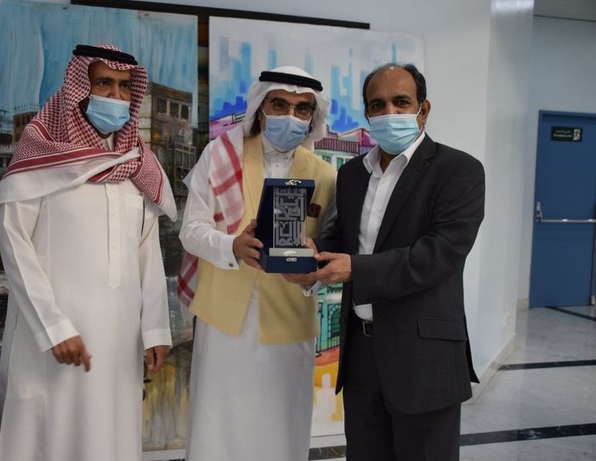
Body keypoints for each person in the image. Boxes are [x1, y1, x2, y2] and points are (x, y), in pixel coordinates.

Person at [0, 43, 176, 461]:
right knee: (50, 439)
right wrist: (53, 327)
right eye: (104, 83)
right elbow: (14, 244)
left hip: (119, 339)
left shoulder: (137, 165)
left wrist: (155, 331)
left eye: (125, 87)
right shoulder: (40, 154)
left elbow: (148, 254)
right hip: (54, 337)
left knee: (110, 439)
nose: (116, 95)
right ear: (79, 89)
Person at [305, 63, 485, 461]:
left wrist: (356, 269)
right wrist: (307, 259)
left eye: (401, 102)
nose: (390, 112)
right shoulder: (352, 175)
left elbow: (439, 255)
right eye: (378, 104)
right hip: (361, 355)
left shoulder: (460, 171)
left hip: (424, 357)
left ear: (423, 109)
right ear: (367, 114)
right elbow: (344, 240)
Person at [178, 66, 337, 461]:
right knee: (218, 430)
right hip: (224, 324)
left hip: (289, 325)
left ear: (312, 117)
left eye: (302, 109)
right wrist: (231, 245)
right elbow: (191, 230)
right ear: (261, 108)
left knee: (280, 432)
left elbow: (328, 254)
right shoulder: (221, 154)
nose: (290, 116)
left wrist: (309, 275)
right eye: (279, 104)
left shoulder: (325, 176)